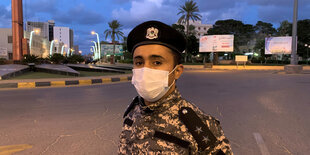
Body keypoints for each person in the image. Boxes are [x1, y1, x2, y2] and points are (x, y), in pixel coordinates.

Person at [118, 20, 233, 155]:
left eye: (157, 62)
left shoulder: (199, 127)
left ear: (177, 71)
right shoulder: (134, 111)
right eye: (139, 62)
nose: (145, 69)